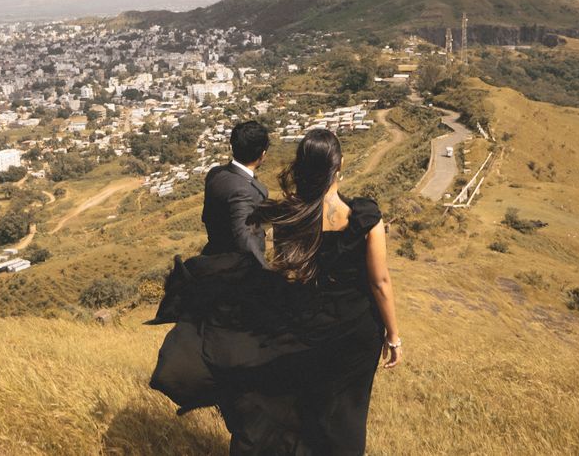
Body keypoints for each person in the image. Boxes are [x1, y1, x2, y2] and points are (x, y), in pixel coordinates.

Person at [149, 128, 402, 455]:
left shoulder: (289, 217)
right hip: (357, 332)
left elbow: (289, 274)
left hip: (310, 327)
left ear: (302, 168)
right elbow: (380, 282)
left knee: (309, 404)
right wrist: (393, 336)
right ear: (339, 166)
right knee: (349, 412)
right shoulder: (365, 216)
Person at [201, 121, 271, 267]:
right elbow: (244, 239)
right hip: (236, 268)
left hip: (212, 253)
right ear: (262, 154)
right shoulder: (244, 191)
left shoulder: (215, 174)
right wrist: (266, 273)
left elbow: (207, 216)